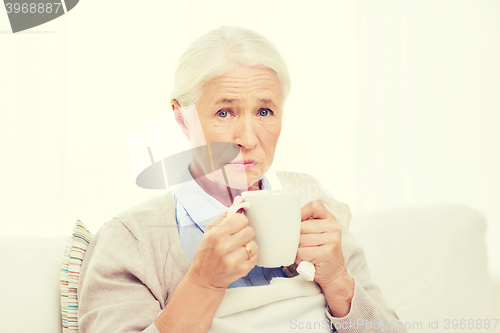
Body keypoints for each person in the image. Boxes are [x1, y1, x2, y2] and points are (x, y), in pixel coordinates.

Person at [78, 26, 407, 333]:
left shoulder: (315, 207)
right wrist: (203, 283)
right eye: (225, 112)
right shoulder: (131, 240)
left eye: (265, 112)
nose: (248, 139)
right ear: (181, 119)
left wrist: (337, 279)